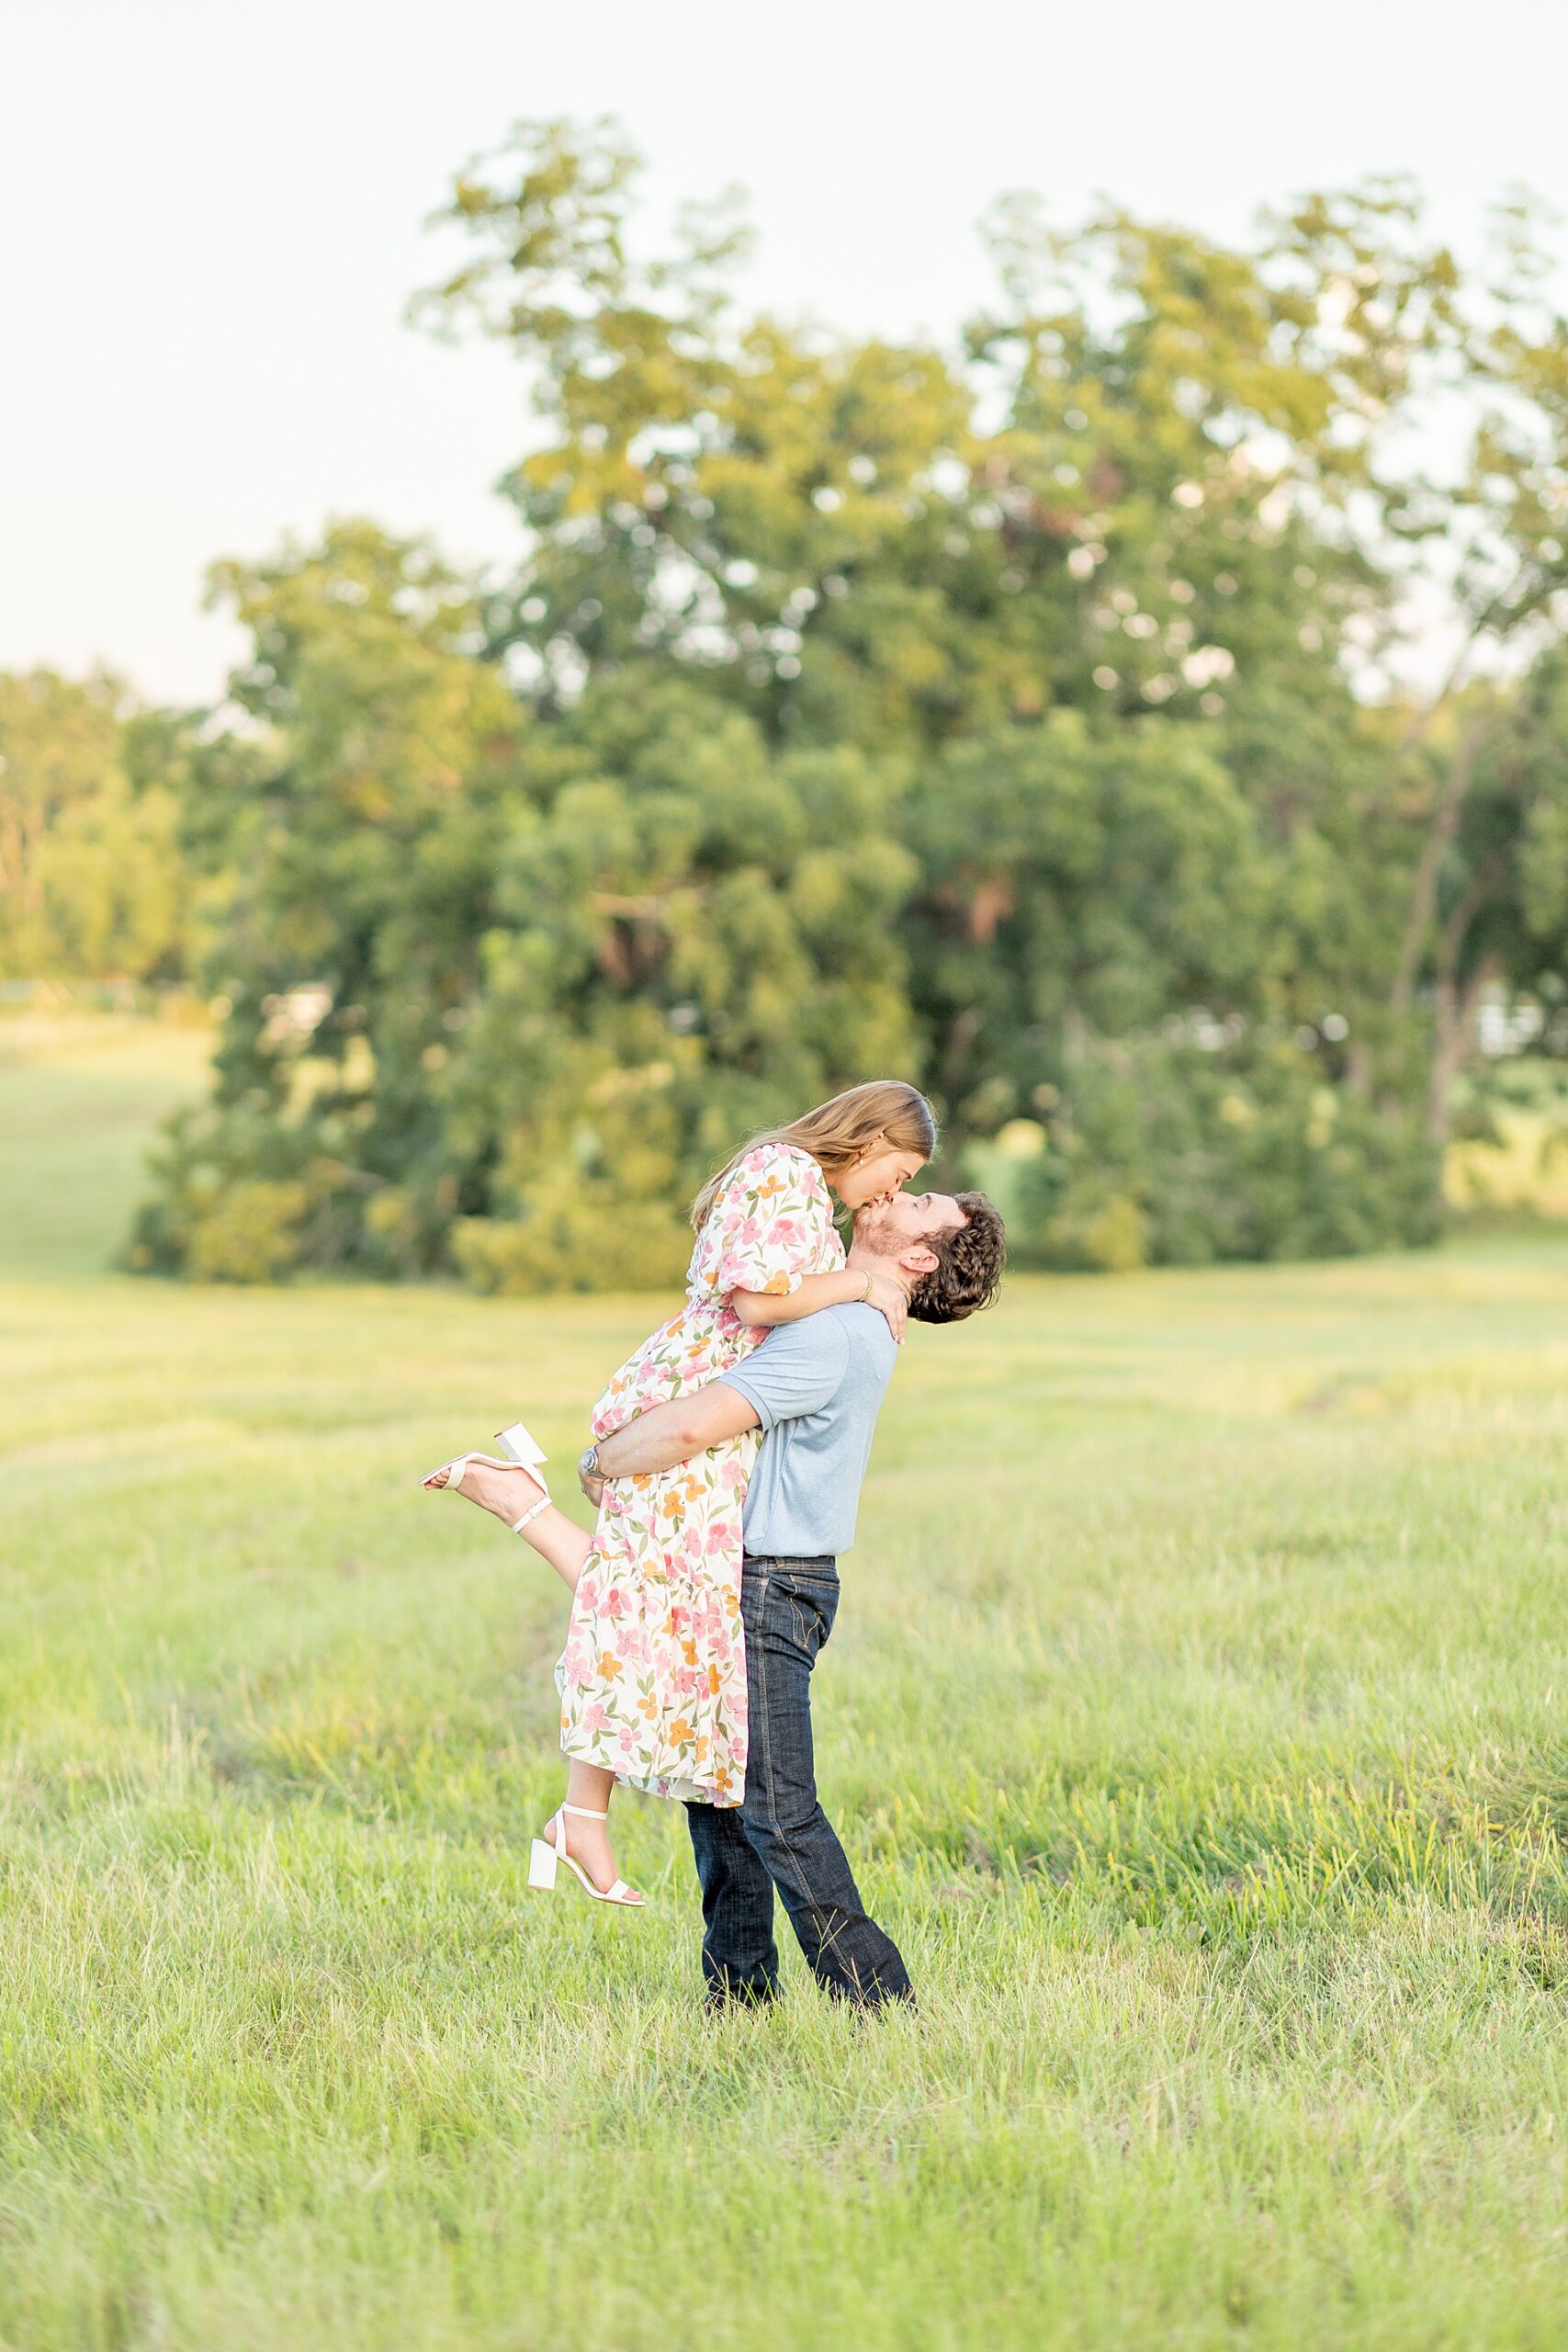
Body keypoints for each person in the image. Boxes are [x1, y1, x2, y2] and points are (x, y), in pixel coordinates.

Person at [423, 1080, 938, 1905]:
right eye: (900, 1171)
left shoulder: (801, 1187)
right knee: (648, 1591)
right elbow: (755, 1298)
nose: (893, 1191)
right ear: (869, 1136)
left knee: (654, 1593)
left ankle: (580, 1811)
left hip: (711, 1394)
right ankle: (579, 1808)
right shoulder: (787, 1173)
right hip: (697, 1386)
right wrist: (862, 1286)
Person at [581, 1183, 1006, 2009]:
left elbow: (690, 1426)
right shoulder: (837, 1308)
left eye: (924, 1203)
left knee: (775, 1807)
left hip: (770, 1584)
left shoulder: (839, 1333)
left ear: (919, 1257)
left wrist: (601, 1463)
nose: (903, 1190)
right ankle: (738, 1995)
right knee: (721, 1795)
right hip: (756, 1576)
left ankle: (880, 2002)